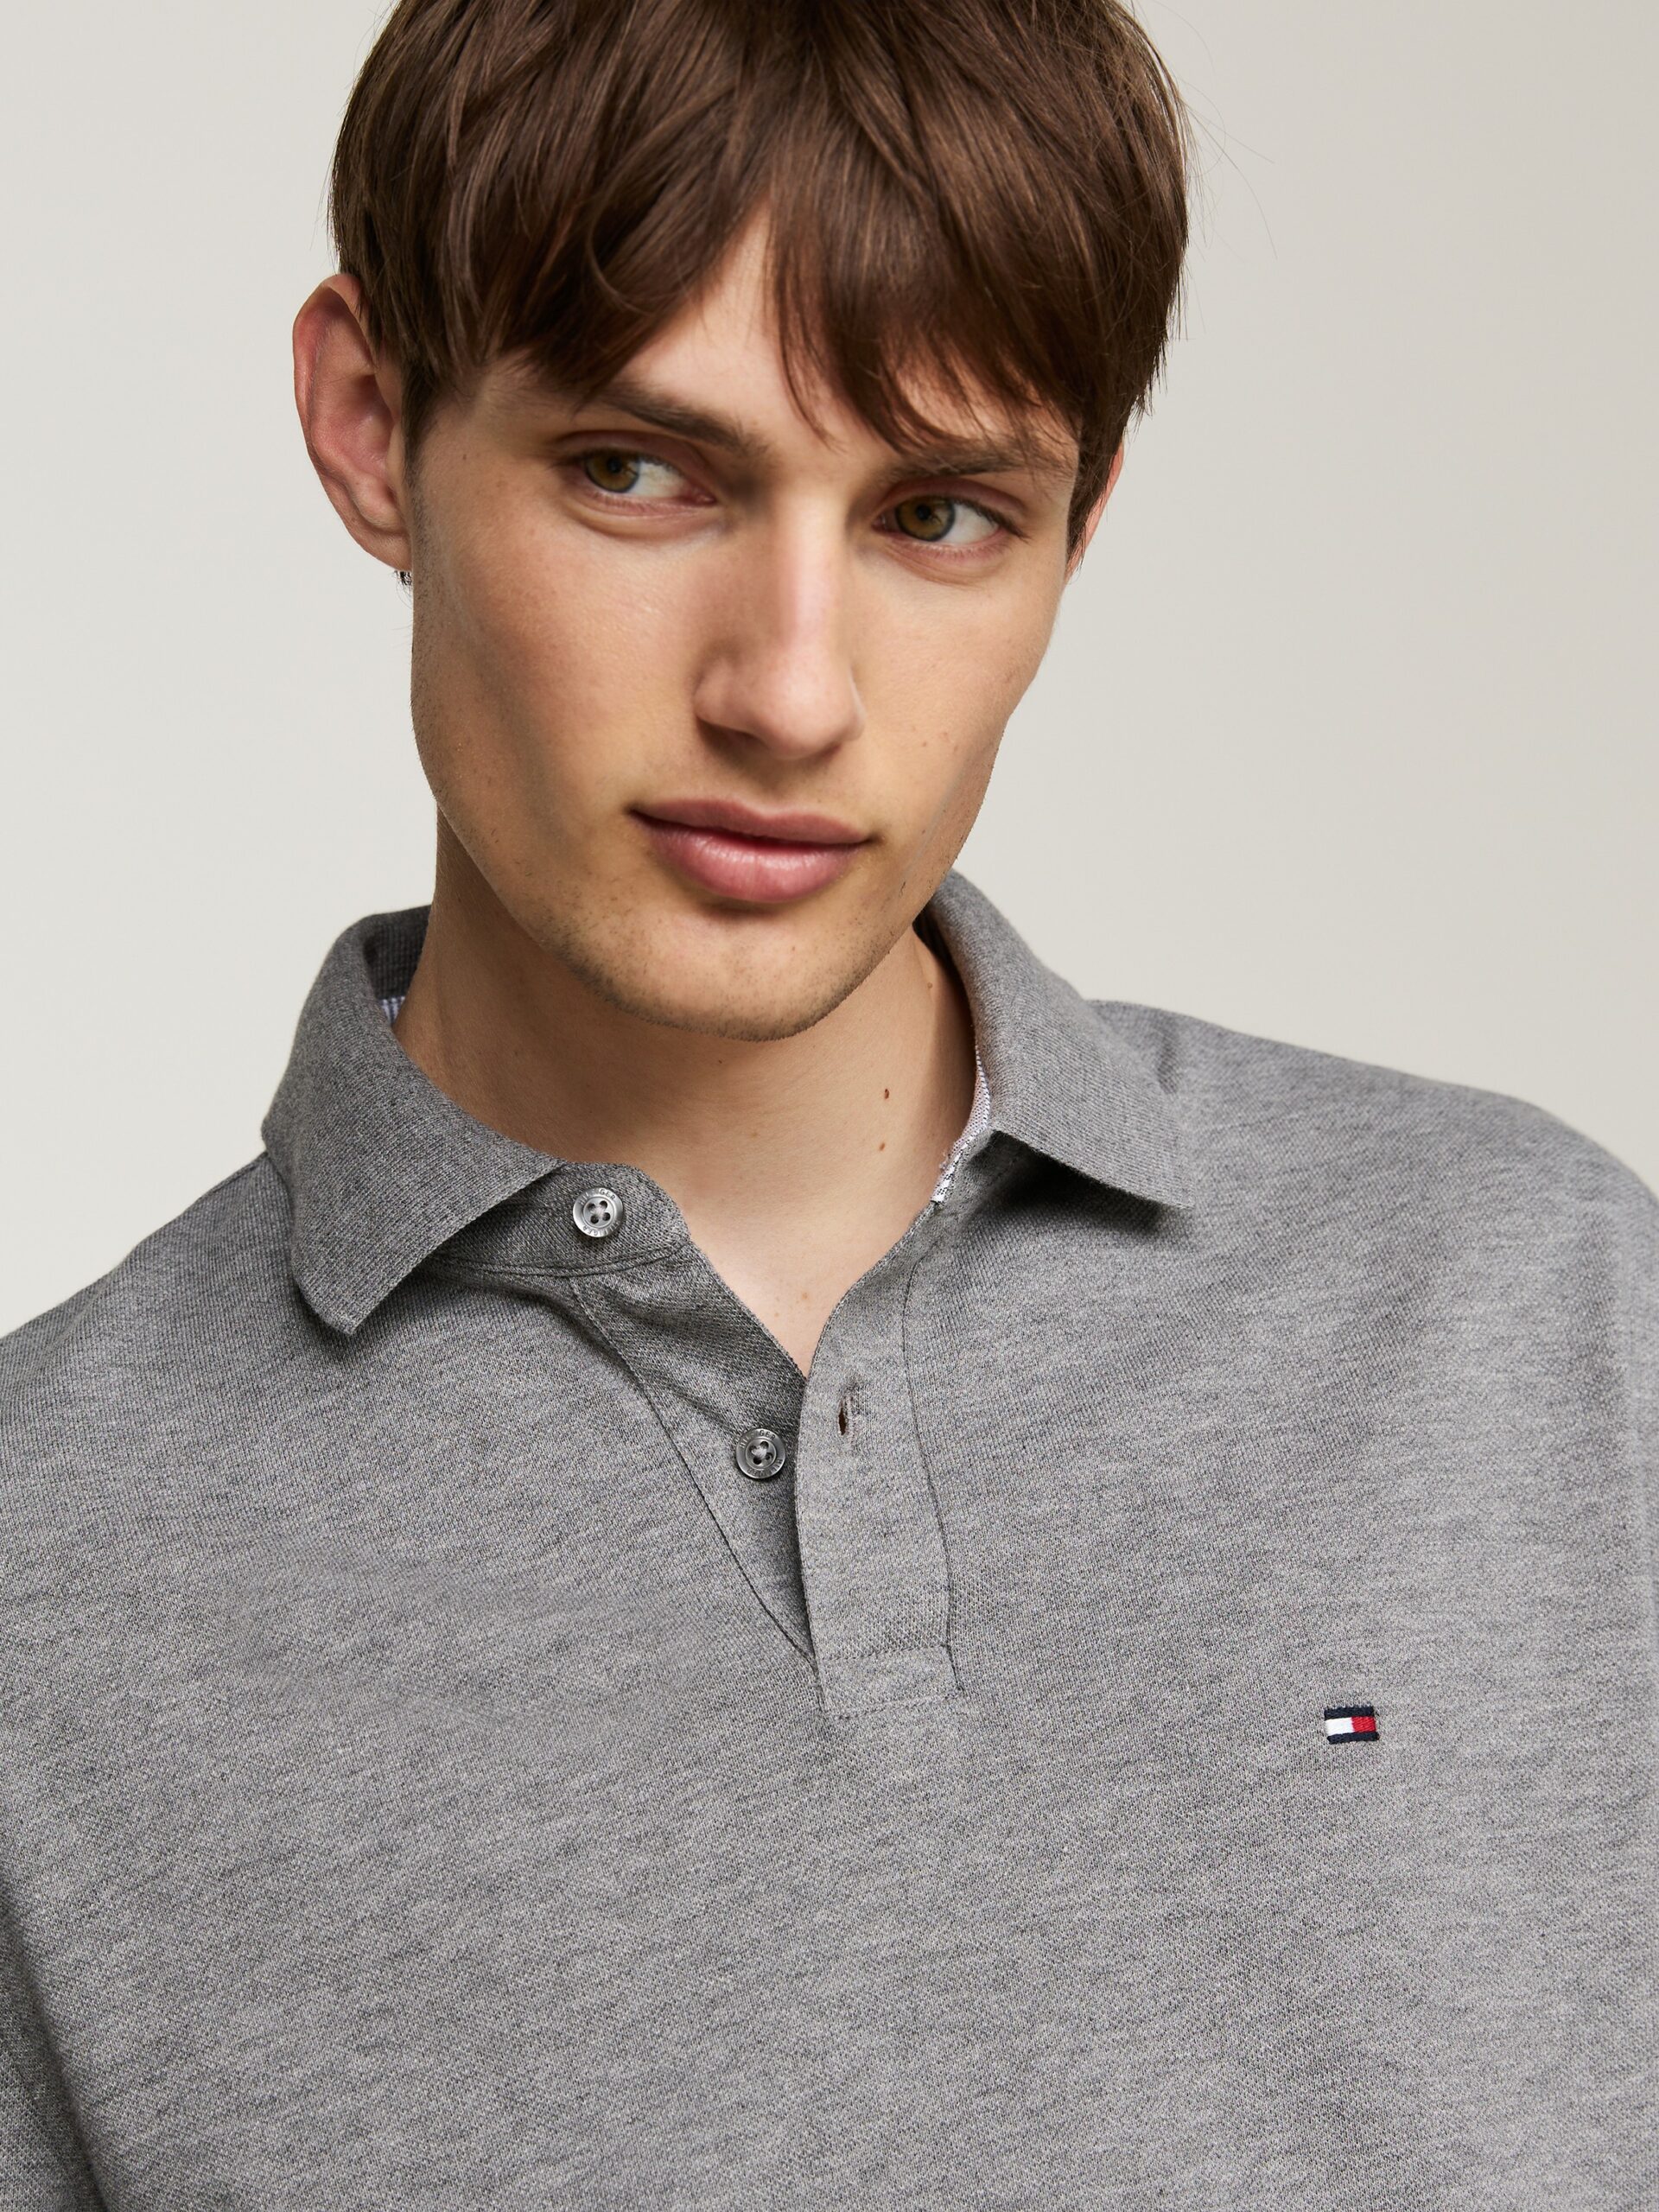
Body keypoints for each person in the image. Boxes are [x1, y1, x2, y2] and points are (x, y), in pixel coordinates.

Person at [1, 0, 1653, 2202]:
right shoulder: (46, 1579)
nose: (789, 689)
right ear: (371, 424)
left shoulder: (1552, 1317)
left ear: (1081, 529)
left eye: (940, 514)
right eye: (638, 471)